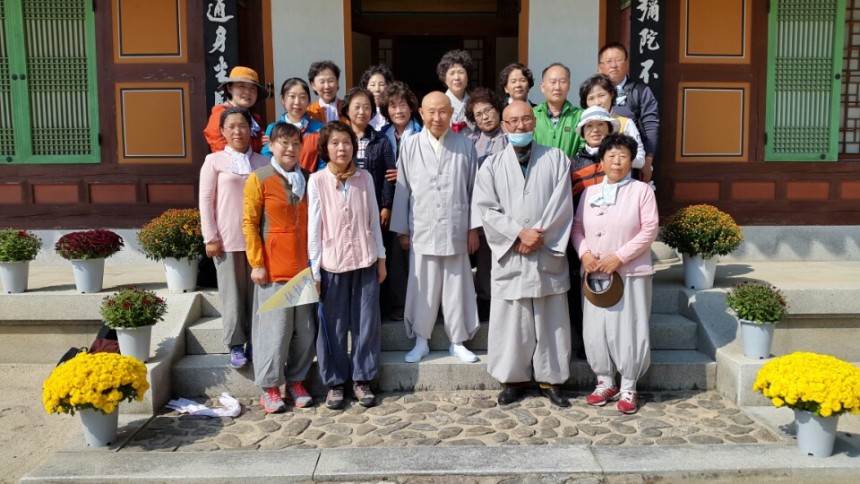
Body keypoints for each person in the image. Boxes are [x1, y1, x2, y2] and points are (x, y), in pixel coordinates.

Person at [472, 100, 574, 408]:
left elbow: (562, 205)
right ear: (504, 126)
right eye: (513, 121)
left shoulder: (556, 159)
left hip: (545, 251)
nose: (521, 125)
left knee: (551, 320)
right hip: (512, 254)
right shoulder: (491, 165)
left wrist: (538, 236)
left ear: (535, 122)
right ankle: (512, 379)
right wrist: (518, 233)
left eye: (526, 119)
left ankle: (552, 379)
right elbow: (486, 209)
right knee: (512, 322)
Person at [390, 92, 480, 364]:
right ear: (421, 113)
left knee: (456, 287)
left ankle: (458, 341)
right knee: (423, 288)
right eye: (431, 112)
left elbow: (474, 189)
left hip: (456, 227)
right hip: (422, 226)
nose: (437, 117)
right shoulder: (410, 145)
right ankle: (421, 340)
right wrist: (402, 230)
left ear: (452, 113)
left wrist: (473, 229)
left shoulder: (465, 145)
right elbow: (403, 189)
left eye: (442, 111)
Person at [572, 133, 659, 415]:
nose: (617, 161)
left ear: (631, 160)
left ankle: (629, 384)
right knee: (596, 327)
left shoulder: (641, 191)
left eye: (623, 156)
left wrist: (619, 257)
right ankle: (604, 380)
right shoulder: (590, 192)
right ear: (602, 160)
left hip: (629, 272)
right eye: (611, 156)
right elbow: (577, 227)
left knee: (629, 327)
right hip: (594, 272)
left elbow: (650, 229)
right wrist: (585, 254)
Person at [308, 121, 387, 409]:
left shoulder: (364, 178)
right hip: (332, 263)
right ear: (325, 148)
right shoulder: (317, 180)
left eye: (346, 142)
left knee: (366, 323)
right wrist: (315, 271)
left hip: (365, 259)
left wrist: (381, 259)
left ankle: (362, 379)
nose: (342, 148)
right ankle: (335, 383)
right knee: (334, 326)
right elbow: (314, 229)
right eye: (335, 143)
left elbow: (373, 220)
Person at [243, 123, 316, 413]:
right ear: (271, 146)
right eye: (284, 143)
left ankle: (296, 381)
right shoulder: (259, 178)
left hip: (304, 269)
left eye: (296, 143)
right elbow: (249, 223)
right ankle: (270, 387)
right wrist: (257, 263)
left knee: (305, 331)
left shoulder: (308, 178)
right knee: (275, 332)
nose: (290, 149)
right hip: (273, 269)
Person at [199, 107, 268, 369]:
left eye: (242, 126)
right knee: (232, 296)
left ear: (250, 130)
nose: (238, 131)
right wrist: (210, 236)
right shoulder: (214, 161)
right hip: (227, 239)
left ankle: (256, 342)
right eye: (232, 127)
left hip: (258, 241)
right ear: (223, 131)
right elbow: (206, 201)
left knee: (257, 296)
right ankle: (235, 344)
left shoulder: (263, 162)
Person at [567, 106, 621, 361]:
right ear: (582, 132)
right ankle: (584, 342)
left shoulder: (619, 161)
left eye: (601, 125)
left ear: (609, 129)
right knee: (579, 294)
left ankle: (612, 346)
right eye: (589, 126)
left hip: (614, 241)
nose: (595, 130)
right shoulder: (573, 163)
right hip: (581, 239)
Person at [341, 87, 397, 318]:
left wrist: (386, 205)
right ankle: (351, 308)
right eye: (357, 107)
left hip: (374, 209)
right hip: (346, 209)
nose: (362, 111)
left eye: (367, 107)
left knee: (378, 256)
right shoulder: (340, 139)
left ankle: (379, 309)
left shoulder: (381, 140)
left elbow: (389, 176)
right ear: (347, 110)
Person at [378, 81, 422, 321]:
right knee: (395, 253)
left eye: (402, 105)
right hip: (392, 200)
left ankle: (422, 302)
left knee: (418, 250)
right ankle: (399, 302)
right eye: (393, 106)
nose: (398, 110)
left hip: (419, 200)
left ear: (411, 107)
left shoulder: (423, 133)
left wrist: (405, 174)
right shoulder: (382, 136)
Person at [464, 87, 508, 321]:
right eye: (478, 114)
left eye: (488, 110)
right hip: (481, 209)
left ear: (498, 109)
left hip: (508, 208)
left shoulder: (510, 136)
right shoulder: (470, 142)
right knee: (484, 259)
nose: (485, 117)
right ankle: (485, 299)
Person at [598, 42, 660, 182]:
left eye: (618, 60)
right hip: (600, 165)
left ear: (626, 63)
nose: (614, 65)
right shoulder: (594, 92)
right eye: (608, 61)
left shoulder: (641, 91)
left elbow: (651, 127)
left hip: (631, 165)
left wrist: (647, 162)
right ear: (600, 67)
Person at [578, 74, 645, 170]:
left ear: (611, 94)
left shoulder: (625, 123)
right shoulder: (582, 124)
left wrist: (616, 158)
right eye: (591, 98)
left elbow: (640, 160)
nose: (597, 102)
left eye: (601, 95)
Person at [261, 77, 324, 172]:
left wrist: (314, 179)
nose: (297, 102)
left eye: (302, 97)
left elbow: (324, 161)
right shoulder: (273, 128)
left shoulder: (319, 129)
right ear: (283, 99)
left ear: (308, 101)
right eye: (292, 96)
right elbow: (266, 158)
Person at [204, 66, 266, 153]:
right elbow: (220, 147)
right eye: (241, 86)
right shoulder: (220, 114)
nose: (247, 92)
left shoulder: (255, 120)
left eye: (252, 88)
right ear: (229, 88)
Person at [533, 63, 584, 158]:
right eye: (552, 82)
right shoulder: (532, 115)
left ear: (569, 86)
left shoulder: (579, 116)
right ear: (543, 87)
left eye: (563, 82)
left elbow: (584, 149)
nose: (557, 87)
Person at [437, 49, 473, 134]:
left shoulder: (474, 102)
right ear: (444, 78)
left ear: (467, 76)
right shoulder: (438, 103)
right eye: (452, 73)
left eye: (461, 72)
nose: (456, 77)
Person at [359, 65, 395, 131]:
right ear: (365, 87)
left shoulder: (393, 109)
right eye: (372, 85)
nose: (377, 89)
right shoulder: (361, 111)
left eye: (381, 84)